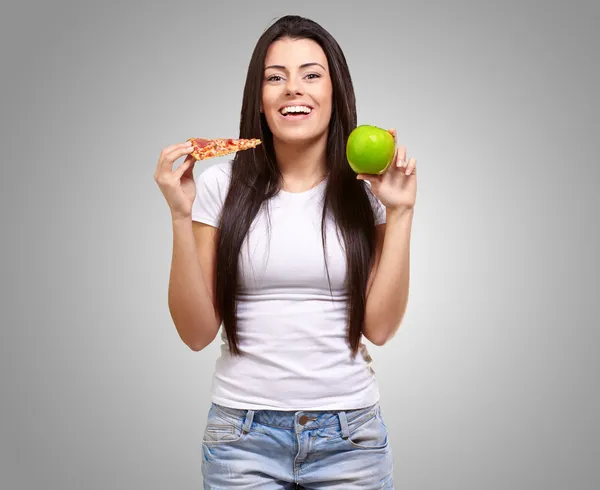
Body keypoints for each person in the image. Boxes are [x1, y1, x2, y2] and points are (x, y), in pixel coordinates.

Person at [154, 14, 417, 490]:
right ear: (259, 98)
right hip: (241, 436)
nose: (293, 89)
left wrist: (399, 213)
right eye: (275, 78)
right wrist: (178, 214)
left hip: (352, 437)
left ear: (336, 93)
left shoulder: (369, 190)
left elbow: (379, 329)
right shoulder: (220, 185)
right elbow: (195, 333)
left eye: (311, 75)